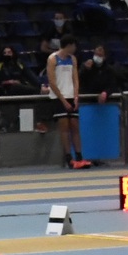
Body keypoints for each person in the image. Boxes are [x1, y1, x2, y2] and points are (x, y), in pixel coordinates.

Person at [47, 35, 85, 169]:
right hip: (58, 97)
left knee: (75, 126)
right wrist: (63, 101)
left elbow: (75, 79)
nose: (75, 48)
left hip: (71, 96)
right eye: (73, 46)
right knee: (64, 128)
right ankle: (69, 158)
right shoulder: (52, 59)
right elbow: (52, 82)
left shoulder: (72, 59)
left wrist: (76, 96)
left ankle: (79, 157)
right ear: (69, 45)